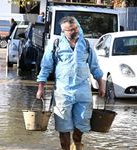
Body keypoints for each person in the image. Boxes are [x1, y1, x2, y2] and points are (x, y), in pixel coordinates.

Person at [36, 16, 105, 150]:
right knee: (63, 126)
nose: (75, 31)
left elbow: (94, 66)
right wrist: (40, 88)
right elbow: (45, 67)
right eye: (71, 30)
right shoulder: (56, 44)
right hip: (63, 91)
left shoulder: (85, 44)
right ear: (63, 31)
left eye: (75, 28)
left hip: (83, 91)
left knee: (83, 122)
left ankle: (77, 144)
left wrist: (101, 84)